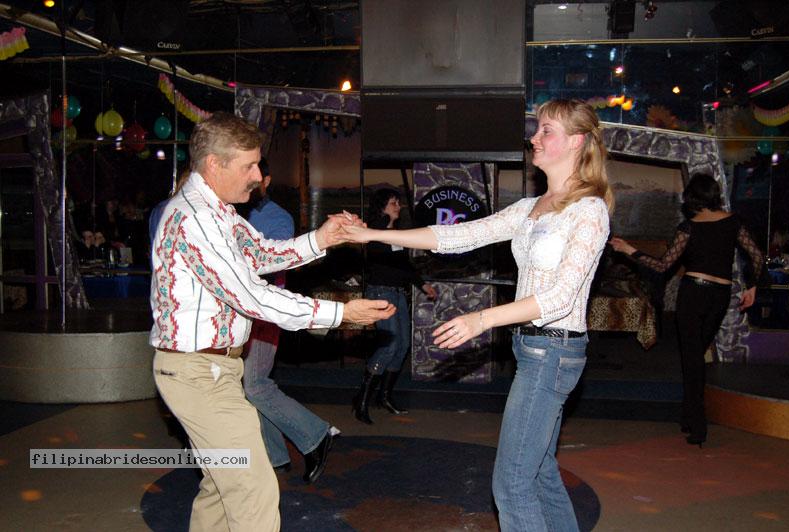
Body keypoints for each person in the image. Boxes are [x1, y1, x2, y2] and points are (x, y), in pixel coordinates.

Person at [341, 99, 613, 531]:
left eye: (547, 130)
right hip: (533, 350)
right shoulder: (531, 207)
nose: (534, 138)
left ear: (577, 142)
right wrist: (370, 233)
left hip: (552, 353)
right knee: (540, 472)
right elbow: (457, 236)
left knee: (512, 485)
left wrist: (481, 320)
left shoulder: (588, 210)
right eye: (537, 129)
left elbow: (560, 298)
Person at [149, 112, 395, 532]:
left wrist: (323, 238)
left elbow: (263, 254)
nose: (257, 176)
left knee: (220, 487)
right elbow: (252, 296)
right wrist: (341, 313)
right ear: (214, 164)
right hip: (197, 373)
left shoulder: (217, 212)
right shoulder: (195, 219)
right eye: (249, 165)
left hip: (212, 370)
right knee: (253, 489)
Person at [610, 173, 763, 447]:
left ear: (692, 198)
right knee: (694, 357)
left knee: (692, 359)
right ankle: (689, 414)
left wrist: (629, 250)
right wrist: (752, 286)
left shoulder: (688, 227)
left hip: (693, 294)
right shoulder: (734, 222)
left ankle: (698, 424)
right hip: (719, 296)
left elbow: (662, 265)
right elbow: (757, 255)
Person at [243, 167, 337, 482]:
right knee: (251, 388)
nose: (249, 178)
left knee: (255, 385)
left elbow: (275, 263)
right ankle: (276, 456)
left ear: (267, 180)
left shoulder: (277, 217)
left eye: (254, 172)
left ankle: (316, 435)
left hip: (265, 312)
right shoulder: (233, 212)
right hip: (240, 312)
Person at [352, 189, 437, 424]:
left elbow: (404, 266)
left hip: (398, 294)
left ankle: (384, 397)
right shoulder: (375, 233)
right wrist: (386, 231)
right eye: (393, 203)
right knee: (389, 347)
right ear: (382, 207)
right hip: (381, 294)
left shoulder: (396, 234)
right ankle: (361, 400)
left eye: (398, 202)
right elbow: (379, 259)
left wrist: (422, 285)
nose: (398, 206)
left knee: (402, 346)